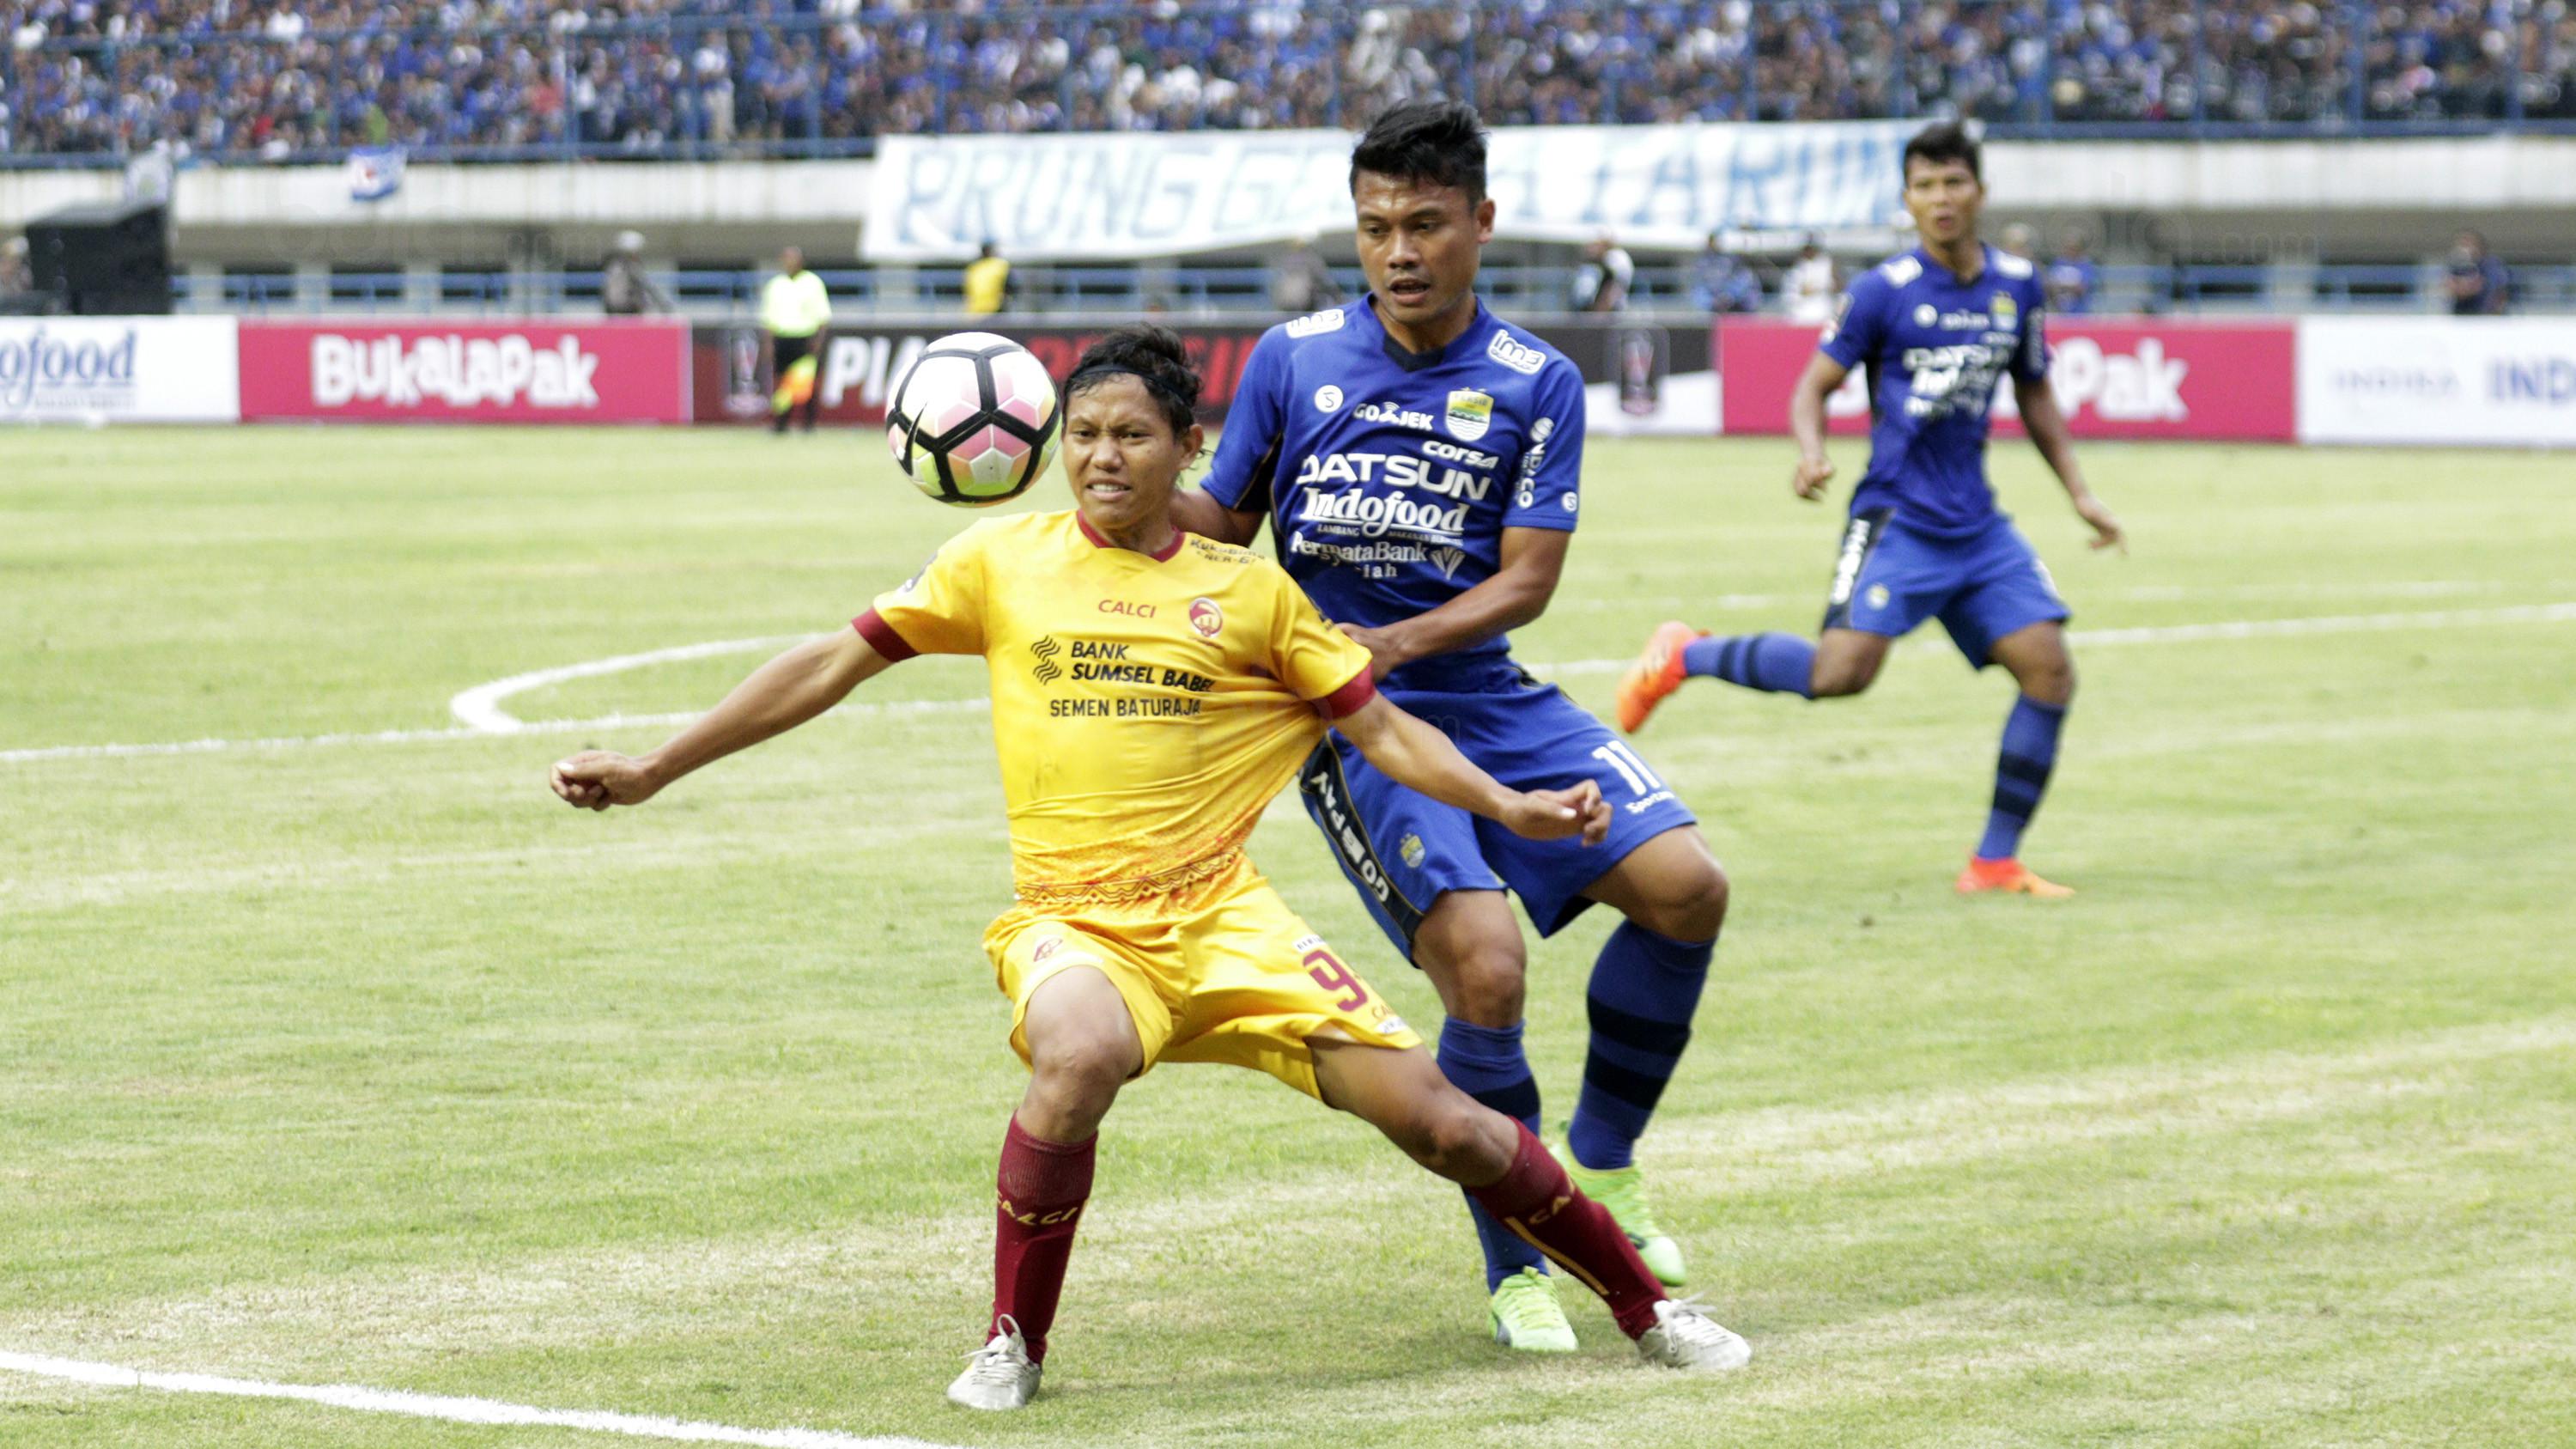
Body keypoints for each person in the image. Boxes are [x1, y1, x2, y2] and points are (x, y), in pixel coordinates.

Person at [550, 326, 1752, 1411]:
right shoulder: (998, 560)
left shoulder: (1251, 592)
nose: (1103, 456)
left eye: (1133, 434)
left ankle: (1648, 1307)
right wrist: (658, 765)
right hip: (1077, 925)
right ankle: (1011, 1339)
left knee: (1455, 1129)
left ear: (1192, 447)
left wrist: (1507, 803)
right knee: (1076, 1054)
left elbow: (1382, 729)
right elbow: (830, 663)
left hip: (1230, 924)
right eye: (1082, 435)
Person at [1170, 101, 1735, 1355]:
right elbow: (1219, 518)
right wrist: (1125, 500)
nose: (1398, 251)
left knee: (1689, 886)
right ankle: (1514, 1262)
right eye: (1375, 228)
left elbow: (1528, 577)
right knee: (1485, 964)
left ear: (1482, 221)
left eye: (1424, 223)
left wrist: (1403, 639)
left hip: (1483, 687)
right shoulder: (1293, 359)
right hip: (1355, 719)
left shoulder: (1537, 378)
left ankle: (1605, 1159)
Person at [1617, 122, 2125, 898]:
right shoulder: (1884, 292)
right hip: (1898, 518)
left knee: (2049, 671)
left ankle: (1993, 863)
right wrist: (1810, 450)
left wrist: (2081, 493)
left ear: (1978, 192)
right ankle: (1683, 654)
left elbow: (2034, 392)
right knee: (1839, 674)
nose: (1940, 198)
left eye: (1953, 182)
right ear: (1907, 200)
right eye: (1924, 186)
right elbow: (1812, 387)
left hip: (1979, 527)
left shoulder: (2017, 285)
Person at [759, 246, 831, 434]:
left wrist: (818, 341)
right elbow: (768, 318)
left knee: (806, 384)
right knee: (782, 385)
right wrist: (768, 344)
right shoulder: (775, 285)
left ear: (801, 261)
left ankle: (809, 424)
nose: (789, 262)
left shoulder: (813, 283)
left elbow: (823, 317)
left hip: (805, 339)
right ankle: (781, 424)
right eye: (786, 258)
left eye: (793, 258)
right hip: (782, 339)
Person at [1689, 233, 1762, 314]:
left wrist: (1729, 296)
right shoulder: (1702, 262)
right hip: (1711, 303)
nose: (1713, 245)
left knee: (1746, 282)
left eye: (1715, 242)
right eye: (1711, 243)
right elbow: (1699, 286)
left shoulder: (1730, 260)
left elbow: (1741, 281)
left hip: (1732, 302)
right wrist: (1712, 301)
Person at [601, 230, 671, 316]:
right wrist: (662, 304)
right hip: (627, 309)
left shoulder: (614, 264)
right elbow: (646, 286)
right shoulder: (627, 266)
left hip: (612, 309)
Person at [1270, 233, 1343, 314]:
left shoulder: (1286, 259)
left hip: (1285, 302)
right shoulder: (1311, 258)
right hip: (1305, 302)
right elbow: (1324, 279)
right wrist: (1338, 297)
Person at [2447, 228, 2508, 315]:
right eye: (2462, 244)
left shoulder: (2491, 264)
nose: (2464, 247)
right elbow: (2451, 288)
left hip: (2484, 314)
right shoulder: (2458, 265)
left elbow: (2499, 292)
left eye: (2467, 243)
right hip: (2462, 314)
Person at [1782, 234, 1837, 323]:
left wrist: (1815, 288)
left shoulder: (1825, 264)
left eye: (1812, 248)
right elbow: (1793, 294)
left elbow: (1834, 287)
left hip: (1823, 312)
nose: (1809, 252)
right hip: (1802, 315)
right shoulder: (1798, 268)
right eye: (1807, 249)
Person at [1571, 233, 1634, 313]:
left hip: (1609, 308)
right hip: (1592, 307)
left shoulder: (1615, 257)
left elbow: (1614, 285)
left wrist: (1601, 309)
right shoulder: (1594, 264)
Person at [2044, 231, 2098, 315]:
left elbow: (2082, 288)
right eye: (2067, 247)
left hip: (2080, 314)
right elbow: (2048, 286)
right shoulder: (2058, 263)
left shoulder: (2085, 265)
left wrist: (2060, 285)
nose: (2070, 251)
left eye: (2073, 248)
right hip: (2059, 313)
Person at [963, 240, 1012, 316]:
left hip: (975, 309)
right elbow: (1009, 288)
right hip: (995, 308)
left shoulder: (974, 267)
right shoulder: (1000, 265)